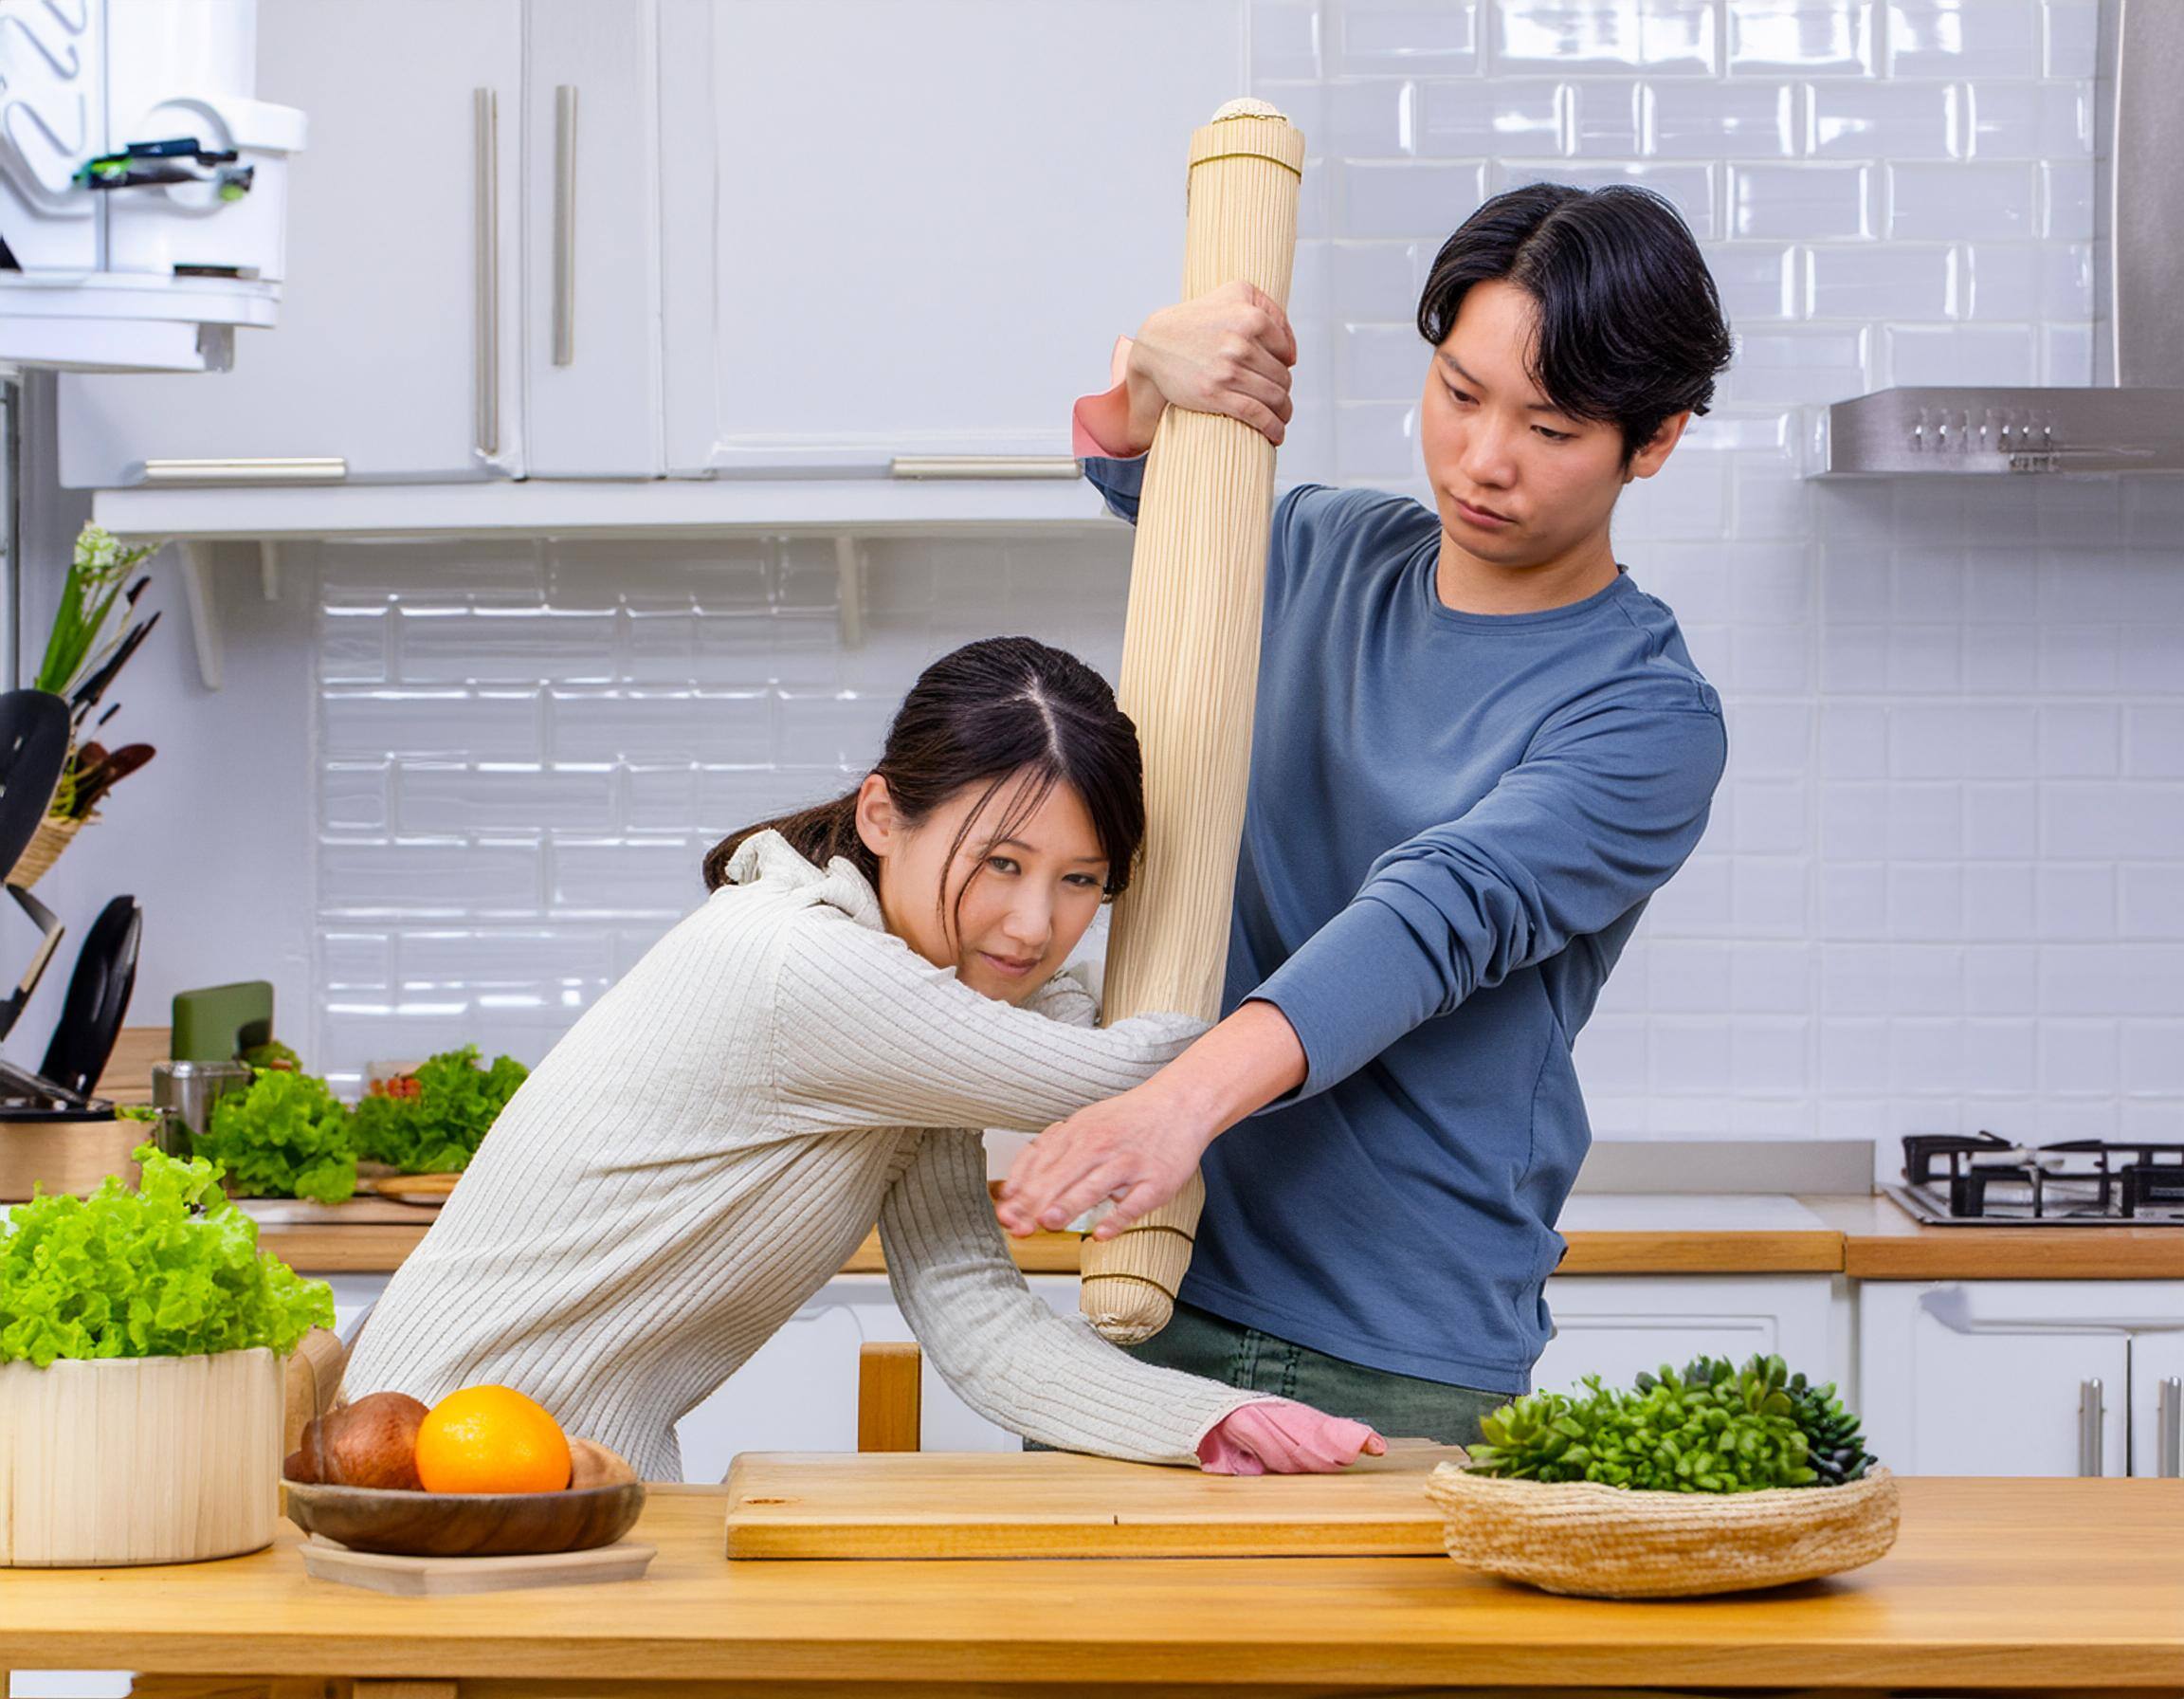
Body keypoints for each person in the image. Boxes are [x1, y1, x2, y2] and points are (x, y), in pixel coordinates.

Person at [996, 184, 1733, 1445]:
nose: (1483, 458)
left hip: (1395, 1346)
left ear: (1652, 441)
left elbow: (1434, 915)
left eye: (1549, 427)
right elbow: (1147, 488)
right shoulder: (1325, 550)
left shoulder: (1647, 715)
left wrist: (1174, 1107)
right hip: (1151, 1279)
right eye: (1458, 393)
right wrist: (1153, 374)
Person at [343, 636, 1382, 1481]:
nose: (1033, 923)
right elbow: (1122, 1078)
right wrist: (1345, 991)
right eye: (1002, 863)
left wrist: (1217, 1419)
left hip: (572, 1471)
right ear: (884, 815)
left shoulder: (917, 1014)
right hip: (425, 1459)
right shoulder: (802, 963)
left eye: (1082, 880)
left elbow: (975, 1313)